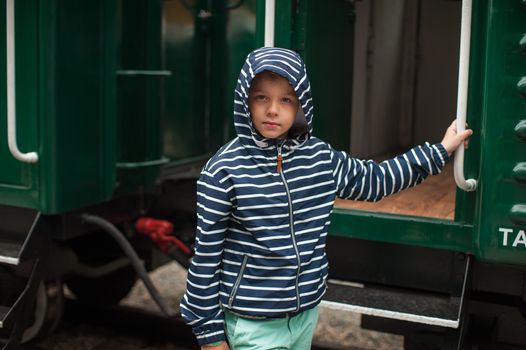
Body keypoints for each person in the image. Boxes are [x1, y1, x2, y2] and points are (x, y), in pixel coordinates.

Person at [180, 47, 472, 350]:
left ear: (300, 105)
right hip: (254, 325)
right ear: (245, 101)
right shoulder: (224, 170)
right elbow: (205, 259)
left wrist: (439, 151)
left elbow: (374, 180)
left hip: (304, 316)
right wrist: (210, 336)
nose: (272, 110)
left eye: (286, 99)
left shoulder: (320, 158)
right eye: (261, 97)